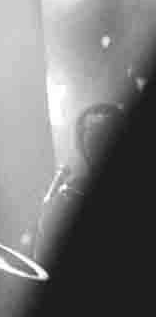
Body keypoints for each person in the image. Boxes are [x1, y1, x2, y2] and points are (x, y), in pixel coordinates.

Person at [32, 101, 125, 265]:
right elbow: (43, 255)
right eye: (91, 132)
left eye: (104, 133)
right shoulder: (69, 193)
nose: (97, 141)